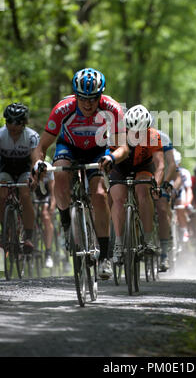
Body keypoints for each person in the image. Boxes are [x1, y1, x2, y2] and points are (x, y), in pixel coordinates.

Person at [32, 68, 129, 280]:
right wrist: (39, 162)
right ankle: (66, 221)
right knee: (60, 176)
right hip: (69, 147)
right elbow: (42, 146)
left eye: (93, 99)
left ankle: (104, 257)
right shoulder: (62, 109)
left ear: (100, 96)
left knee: (100, 194)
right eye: (83, 99)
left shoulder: (112, 109)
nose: (87, 104)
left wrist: (113, 158)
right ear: (75, 95)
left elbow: (124, 147)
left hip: (99, 149)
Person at [109, 104, 164, 263]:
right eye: (133, 131)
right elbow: (109, 156)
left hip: (143, 166)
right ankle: (118, 244)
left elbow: (160, 164)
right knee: (118, 199)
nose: (137, 135)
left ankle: (147, 240)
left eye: (141, 132)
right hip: (120, 166)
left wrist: (157, 185)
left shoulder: (153, 135)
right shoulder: (117, 134)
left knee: (143, 191)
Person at [0, 103, 40, 253]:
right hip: (6, 168)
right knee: (2, 193)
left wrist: (34, 178)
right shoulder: (1, 135)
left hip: (25, 169)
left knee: (24, 194)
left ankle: (28, 236)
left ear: (24, 123)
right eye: (9, 121)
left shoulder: (32, 136)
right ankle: (5, 231)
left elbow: (36, 160)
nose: (12, 126)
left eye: (16, 122)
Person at [155, 130, 177, 272]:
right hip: (141, 175)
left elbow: (171, 164)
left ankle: (164, 254)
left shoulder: (162, 137)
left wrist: (166, 182)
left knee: (162, 209)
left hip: (160, 178)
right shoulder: (127, 136)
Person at [32, 168, 56, 268]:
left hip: (47, 195)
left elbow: (53, 192)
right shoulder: (30, 167)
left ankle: (48, 253)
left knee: (45, 216)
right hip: (34, 194)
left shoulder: (48, 169)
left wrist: (52, 205)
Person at [172, 149, 193, 244]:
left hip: (180, 194)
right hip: (168, 193)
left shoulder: (184, 173)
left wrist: (188, 203)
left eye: (177, 164)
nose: (175, 166)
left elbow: (188, 190)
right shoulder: (163, 170)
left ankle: (184, 230)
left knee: (180, 207)